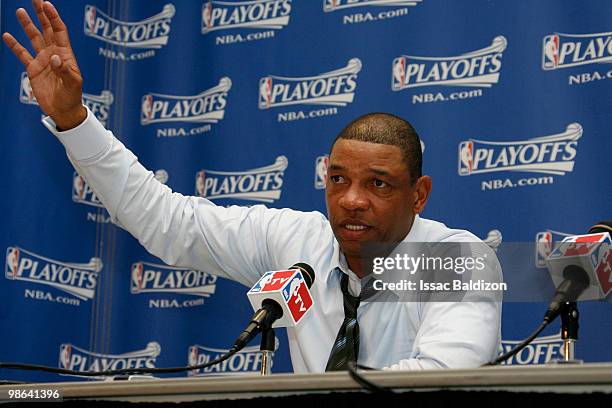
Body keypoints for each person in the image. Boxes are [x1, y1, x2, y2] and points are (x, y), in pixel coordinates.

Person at [3, 0, 502, 372]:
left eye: (378, 184)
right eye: (338, 180)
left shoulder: (458, 259)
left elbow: (440, 377)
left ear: (419, 194)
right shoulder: (297, 242)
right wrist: (73, 119)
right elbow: (164, 219)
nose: (352, 199)